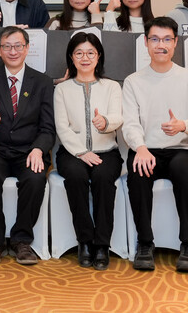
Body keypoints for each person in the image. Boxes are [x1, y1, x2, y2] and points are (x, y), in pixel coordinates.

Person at [121, 16, 188, 273]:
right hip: (146, 149)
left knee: (183, 171)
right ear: (146, 43)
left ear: (175, 43)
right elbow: (130, 123)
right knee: (138, 172)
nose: (161, 45)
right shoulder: (133, 81)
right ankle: (145, 243)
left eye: (167, 39)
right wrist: (141, 148)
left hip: (181, 149)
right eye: (155, 39)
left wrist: (183, 126)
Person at [0, 26, 55, 265]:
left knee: (35, 177)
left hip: (28, 150)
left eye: (18, 46)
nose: (13, 51)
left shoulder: (42, 82)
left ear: (27, 48)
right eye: (7, 46)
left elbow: (48, 127)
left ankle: (22, 240)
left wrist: (39, 149)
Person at [53, 32, 123, 270]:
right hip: (72, 153)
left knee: (104, 179)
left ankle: (102, 244)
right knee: (76, 177)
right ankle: (85, 241)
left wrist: (106, 122)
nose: (85, 58)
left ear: (98, 56)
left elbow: (117, 116)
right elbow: (62, 127)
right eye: (79, 53)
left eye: (90, 53)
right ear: (71, 58)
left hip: (107, 151)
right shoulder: (62, 89)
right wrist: (81, 152)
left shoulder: (112, 86)